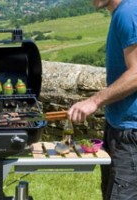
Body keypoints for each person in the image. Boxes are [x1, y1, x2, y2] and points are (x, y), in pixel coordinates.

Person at [67, 0, 137, 199]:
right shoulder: (122, 12)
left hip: (130, 135)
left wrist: (94, 101)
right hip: (119, 128)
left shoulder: (128, 12)